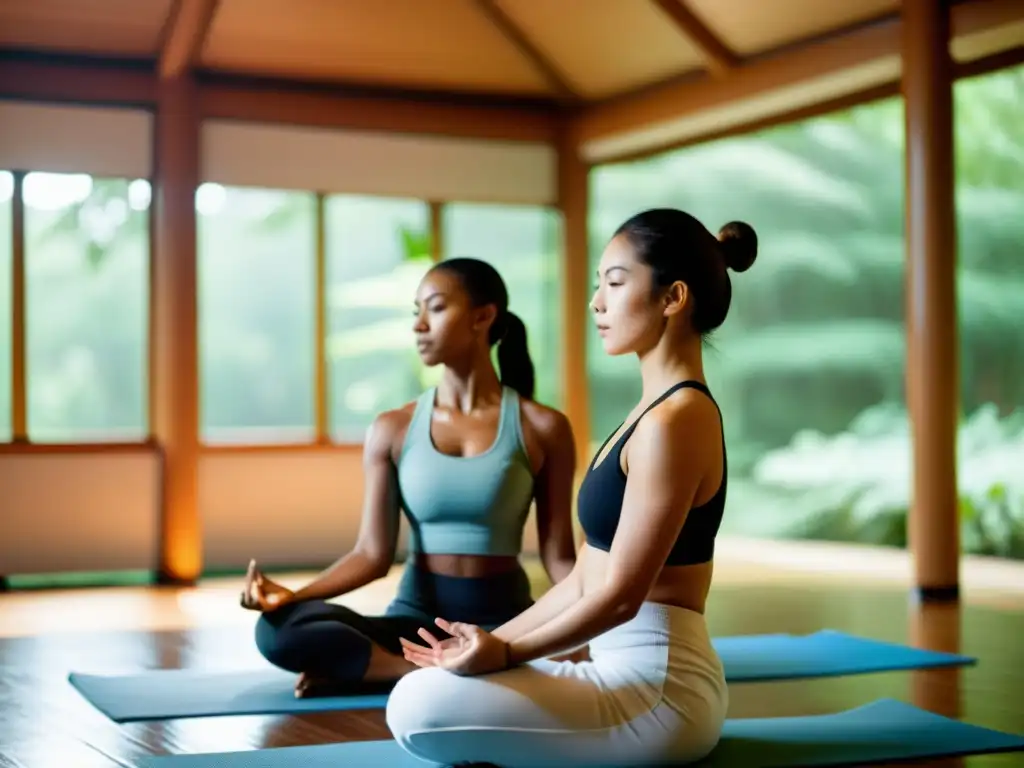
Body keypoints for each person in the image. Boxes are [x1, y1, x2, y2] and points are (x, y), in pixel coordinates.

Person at [386, 209, 758, 767]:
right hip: (614, 669)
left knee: (421, 706)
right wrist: (488, 644)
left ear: (673, 297)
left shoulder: (677, 420)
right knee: (421, 692)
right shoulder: (648, 415)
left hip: (660, 693)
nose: (597, 304)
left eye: (614, 283)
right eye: (597, 286)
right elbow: (587, 574)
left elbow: (622, 596)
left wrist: (506, 651)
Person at [240, 257, 579, 698]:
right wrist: (293, 597)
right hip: (413, 624)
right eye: (415, 311)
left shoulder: (542, 427)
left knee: (575, 649)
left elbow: (559, 559)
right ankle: (418, 670)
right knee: (278, 630)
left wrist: (611, 606)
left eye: (434, 308)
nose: (419, 325)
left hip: (504, 623)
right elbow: (371, 554)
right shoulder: (393, 428)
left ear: (483, 316)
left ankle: (381, 671)